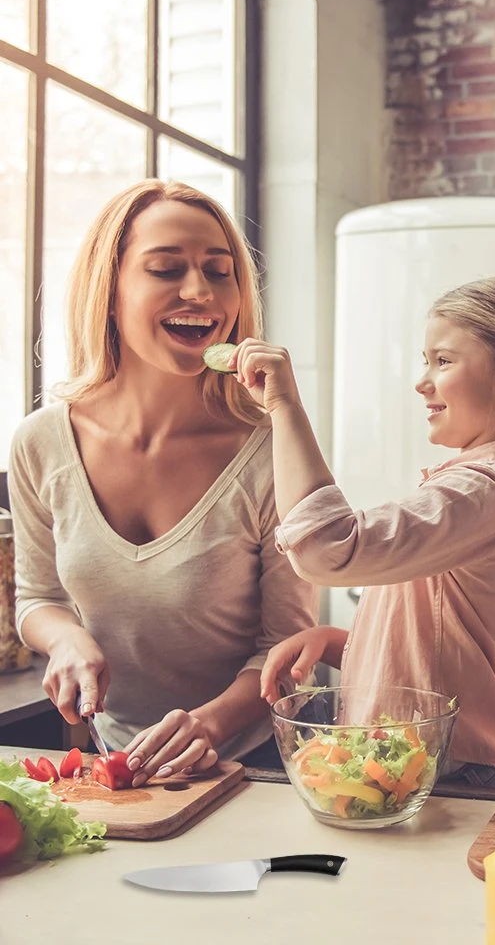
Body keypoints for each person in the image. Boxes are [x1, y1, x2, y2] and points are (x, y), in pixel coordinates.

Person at [9, 180, 317, 785]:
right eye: (167, 268)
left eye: (220, 271)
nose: (201, 293)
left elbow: (288, 647)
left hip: (261, 768)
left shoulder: (270, 450)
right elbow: (37, 598)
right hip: (117, 763)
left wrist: (208, 726)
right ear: (110, 289)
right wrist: (67, 640)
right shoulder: (40, 442)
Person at [250, 277, 495, 788]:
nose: (422, 381)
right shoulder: (473, 490)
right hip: (423, 772)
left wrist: (284, 405)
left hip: (453, 779)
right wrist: (338, 643)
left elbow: (325, 548)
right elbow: (428, 645)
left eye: (443, 361)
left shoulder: (481, 491)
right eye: (427, 361)